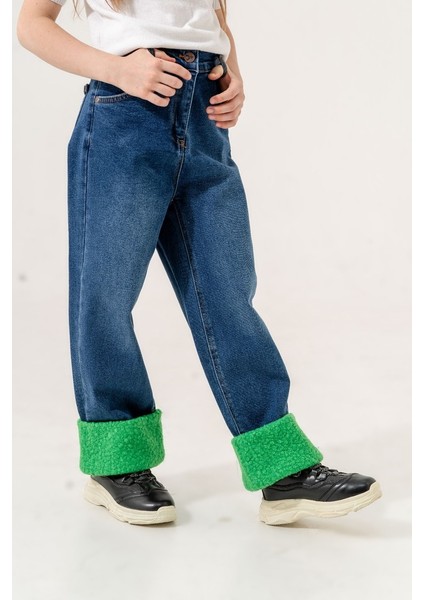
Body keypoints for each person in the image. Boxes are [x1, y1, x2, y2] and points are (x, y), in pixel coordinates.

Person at [16, 0, 382, 526]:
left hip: (205, 118)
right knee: (106, 296)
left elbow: (214, 16)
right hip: (125, 113)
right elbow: (32, 25)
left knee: (228, 296)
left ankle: (281, 470)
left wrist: (234, 72)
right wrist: (116, 69)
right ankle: (117, 464)